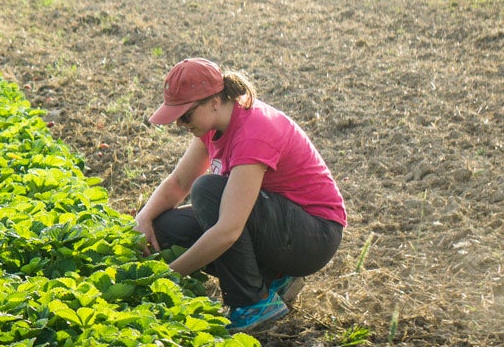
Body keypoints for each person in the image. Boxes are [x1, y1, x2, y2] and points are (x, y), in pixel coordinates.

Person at [134, 58, 346, 333]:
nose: (180, 124)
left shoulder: (253, 132)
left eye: (185, 115)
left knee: (207, 191)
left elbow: (228, 231)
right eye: (176, 117)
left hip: (313, 235)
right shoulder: (212, 127)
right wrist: (144, 218)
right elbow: (178, 182)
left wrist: (168, 275)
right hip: (277, 224)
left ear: (214, 101)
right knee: (165, 229)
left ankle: (252, 303)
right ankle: (271, 278)